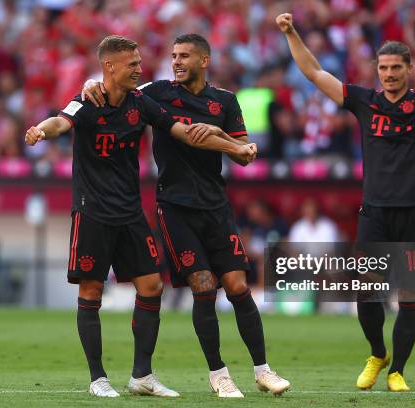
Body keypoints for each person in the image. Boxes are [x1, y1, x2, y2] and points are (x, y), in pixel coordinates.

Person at [276, 3, 415, 392]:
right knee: (367, 290)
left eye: (396, 67)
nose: (390, 74)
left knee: (408, 295)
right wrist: (291, 33)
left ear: (409, 69)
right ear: (376, 72)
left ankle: (397, 370)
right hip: (374, 212)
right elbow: (314, 73)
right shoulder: (365, 102)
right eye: (383, 68)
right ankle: (377, 353)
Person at [25, 35, 256, 399]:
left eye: (138, 62)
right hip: (93, 211)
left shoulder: (141, 104)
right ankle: (98, 378)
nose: (139, 68)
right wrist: (40, 130)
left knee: (151, 287)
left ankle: (142, 376)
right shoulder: (87, 99)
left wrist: (235, 146)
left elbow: (187, 134)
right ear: (110, 66)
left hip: (131, 212)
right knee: (92, 290)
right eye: (131, 63)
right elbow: (60, 121)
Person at [82, 34, 291, 397]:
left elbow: (242, 154)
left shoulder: (224, 101)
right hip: (174, 206)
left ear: (204, 61)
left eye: (185, 56)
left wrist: (227, 138)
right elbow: (113, 85)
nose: (176, 62)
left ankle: (263, 370)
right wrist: (90, 83)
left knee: (239, 286)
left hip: (215, 205)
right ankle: (219, 373)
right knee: (204, 286)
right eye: (174, 56)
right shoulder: (155, 92)